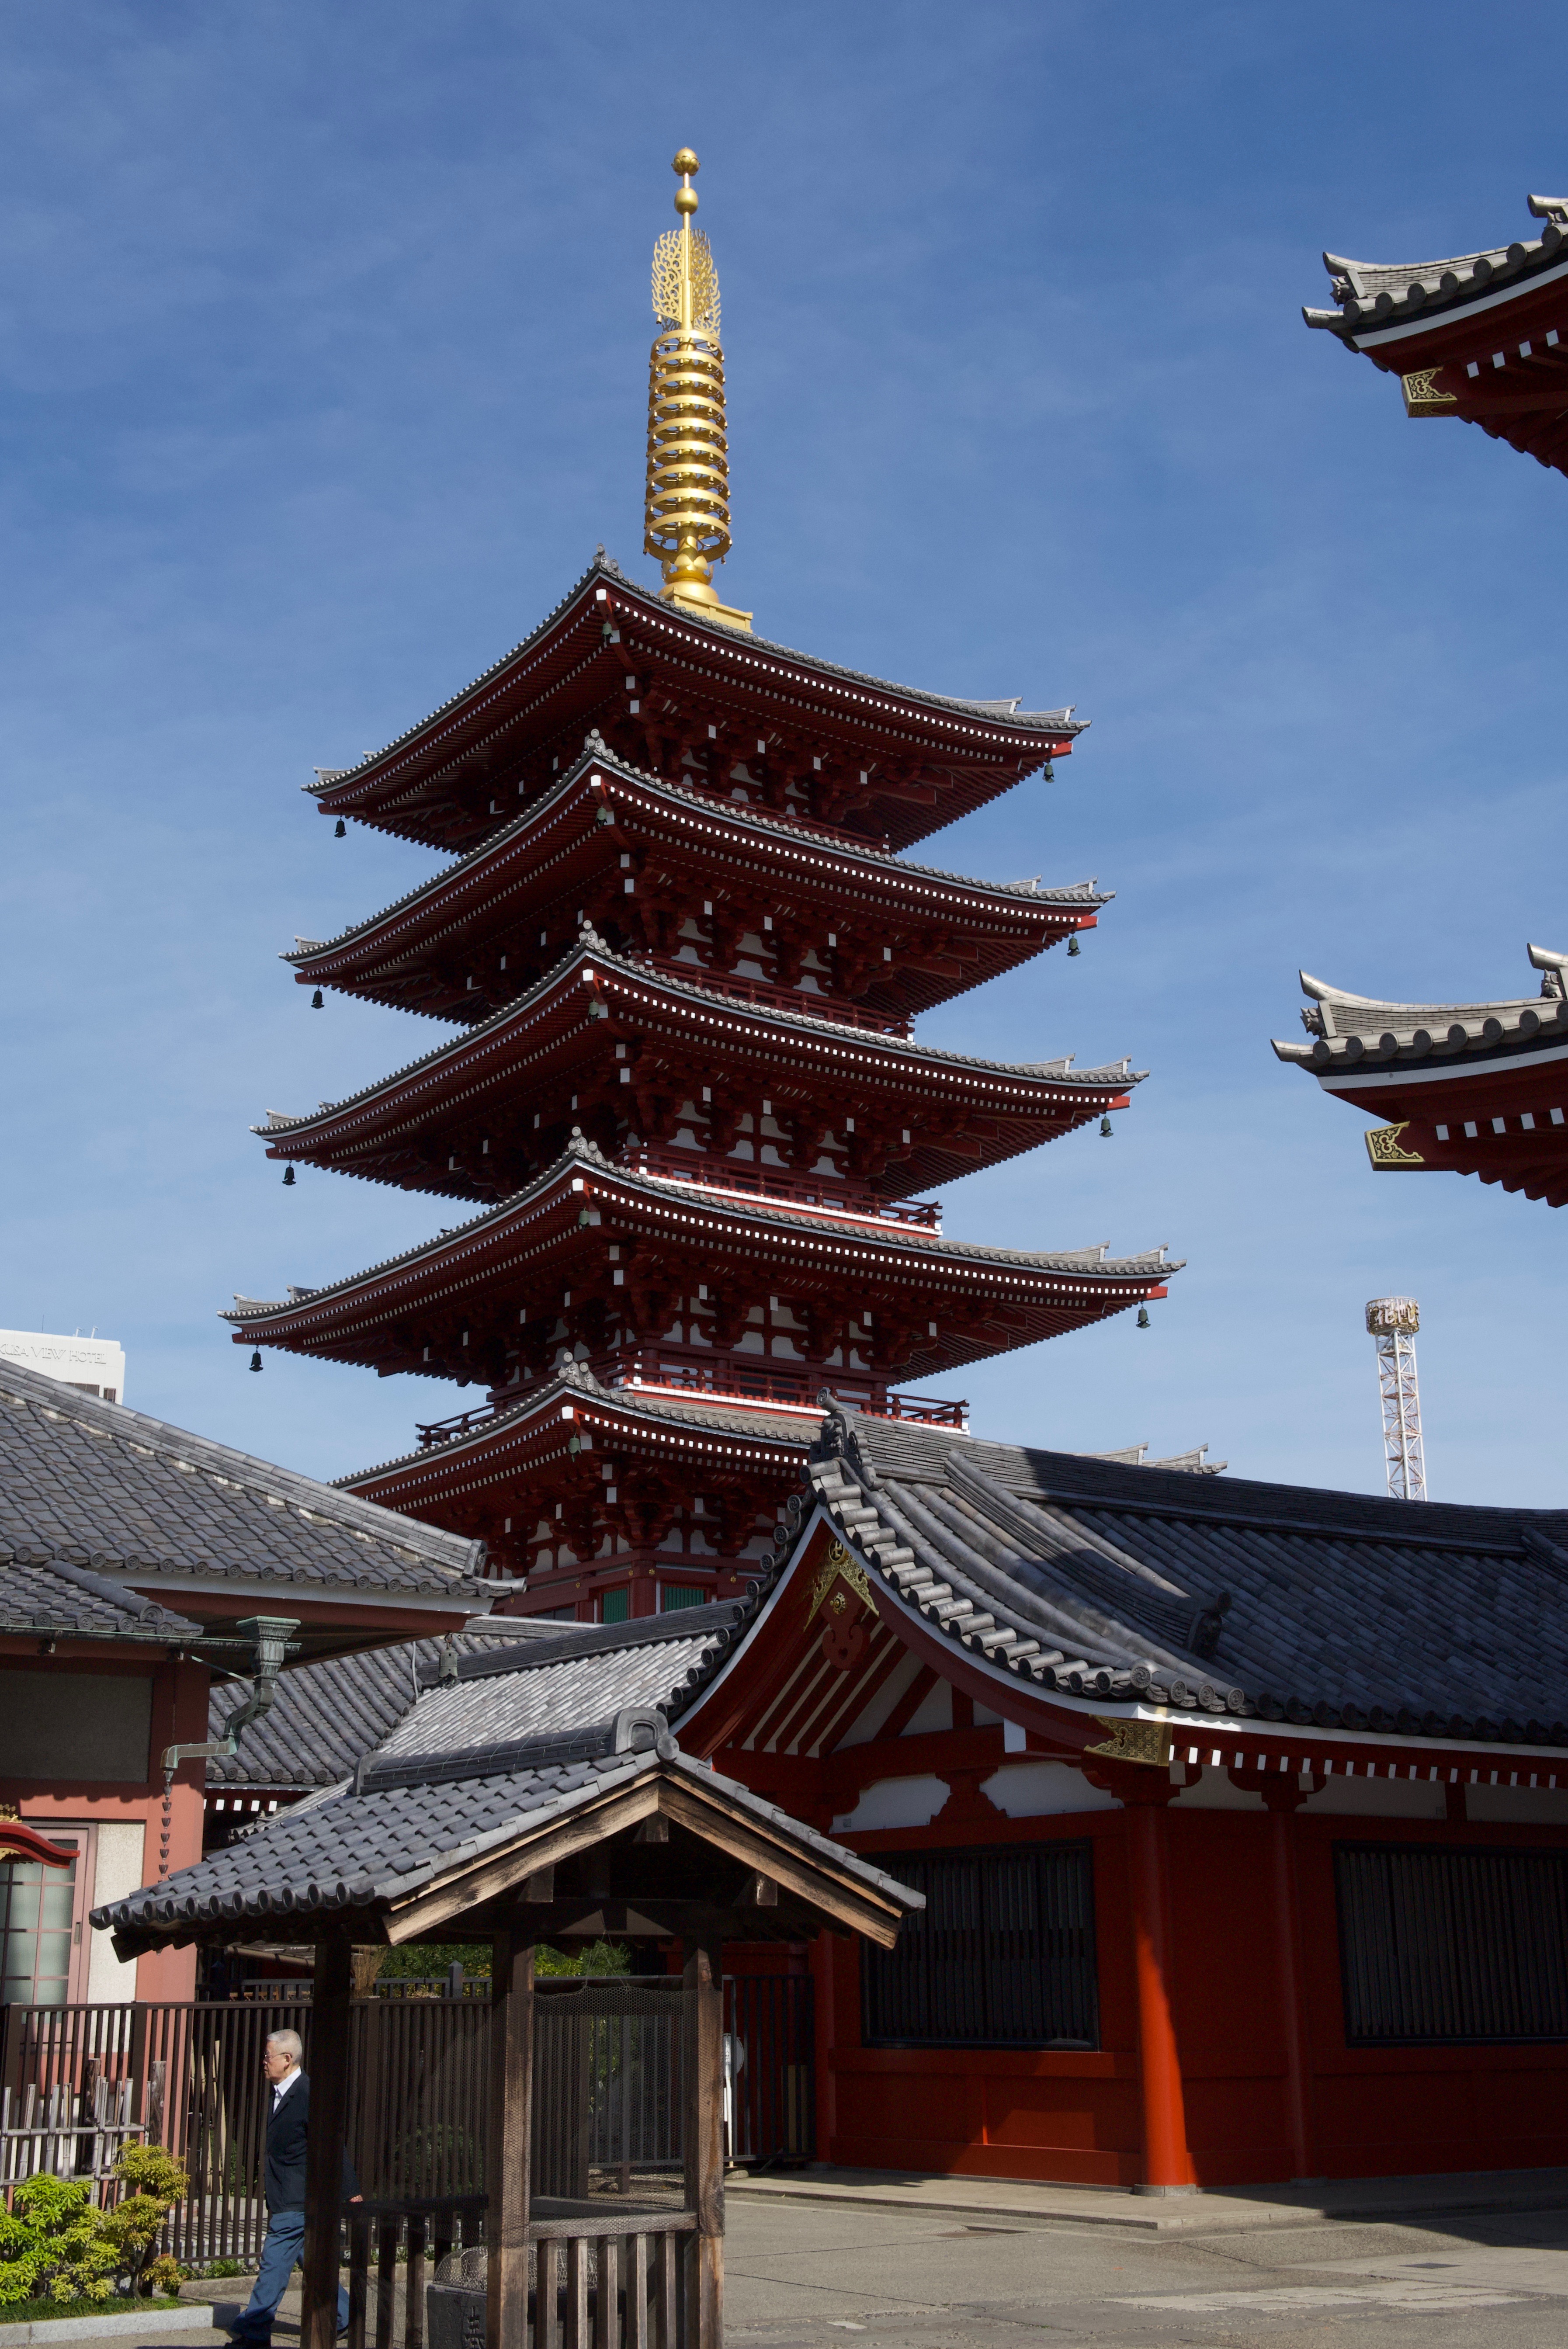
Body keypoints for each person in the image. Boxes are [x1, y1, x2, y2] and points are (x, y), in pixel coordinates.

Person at [227, 2029, 362, 2346]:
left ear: (287, 2060)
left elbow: (330, 2143)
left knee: (273, 2262)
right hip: (287, 2194)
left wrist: (351, 2189)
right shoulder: (280, 2091)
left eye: (267, 2056)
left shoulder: (306, 2094)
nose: (263, 2062)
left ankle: (254, 2331)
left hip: (297, 2197)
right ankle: (344, 2315)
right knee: (313, 2262)